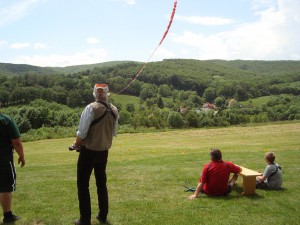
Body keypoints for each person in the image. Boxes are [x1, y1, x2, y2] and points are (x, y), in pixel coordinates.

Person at [71, 84, 118, 225]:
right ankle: (103, 216)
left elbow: (82, 132)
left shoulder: (90, 108)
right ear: (107, 93)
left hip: (88, 152)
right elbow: (113, 133)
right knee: (101, 184)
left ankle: (85, 220)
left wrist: (76, 144)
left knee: (83, 185)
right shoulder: (114, 110)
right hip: (104, 152)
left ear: (95, 94)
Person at [0, 112, 25, 223]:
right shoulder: (5, 120)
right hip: (3, 159)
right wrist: (22, 156)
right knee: (5, 187)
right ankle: (8, 215)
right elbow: (16, 142)